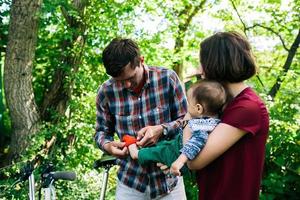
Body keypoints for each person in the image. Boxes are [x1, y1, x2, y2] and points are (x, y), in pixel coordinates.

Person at [159, 31, 269, 200]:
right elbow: (200, 145)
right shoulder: (222, 104)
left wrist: (190, 115)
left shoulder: (247, 107)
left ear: (216, 63)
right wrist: (175, 157)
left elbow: (195, 161)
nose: (200, 69)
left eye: (202, 61)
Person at [94, 38, 188, 199]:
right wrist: (108, 146)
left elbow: (187, 121)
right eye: (120, 81)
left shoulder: (168, 79)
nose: (126, 85)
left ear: (141, 60)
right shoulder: (106, 92)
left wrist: (162, 130)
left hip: (169, 181)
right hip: (130, 182)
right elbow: (101, 133)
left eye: (130, 78)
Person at [125, 80, 227, 178]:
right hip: (177, 145)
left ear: (199, 108)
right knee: (162, 146)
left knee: (159, 152)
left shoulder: (202, 128)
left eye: (189, 102)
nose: (187, 106)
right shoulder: (212, 120)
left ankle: (136, 153)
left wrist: (179, 162)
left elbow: (194, 145)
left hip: (178, 154)